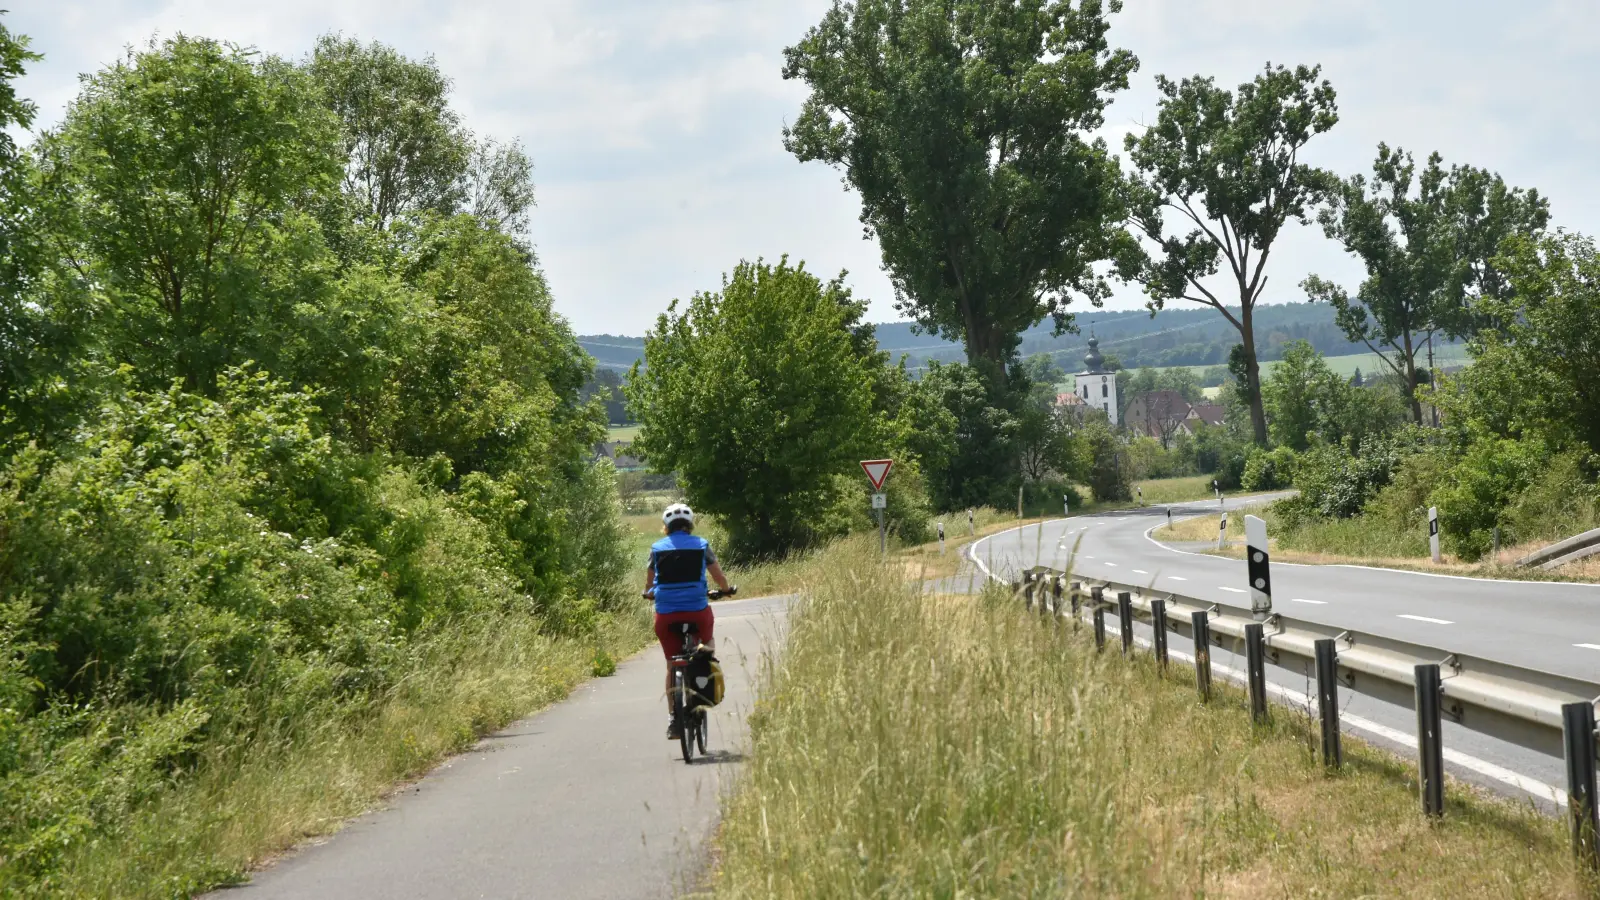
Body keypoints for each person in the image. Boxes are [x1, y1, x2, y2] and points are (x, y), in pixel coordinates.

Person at [644, 502, 732, 739]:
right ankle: (704, 656)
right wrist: (726, 590)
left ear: (666, 526)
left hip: (666, 615)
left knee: (671, 665)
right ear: (690, 524)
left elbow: (649, 585)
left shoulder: (657, 548)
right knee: (707, 638)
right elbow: (718, 576)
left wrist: (649, 593)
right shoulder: (701, 545)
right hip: (696, 610)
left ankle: (674, 719)